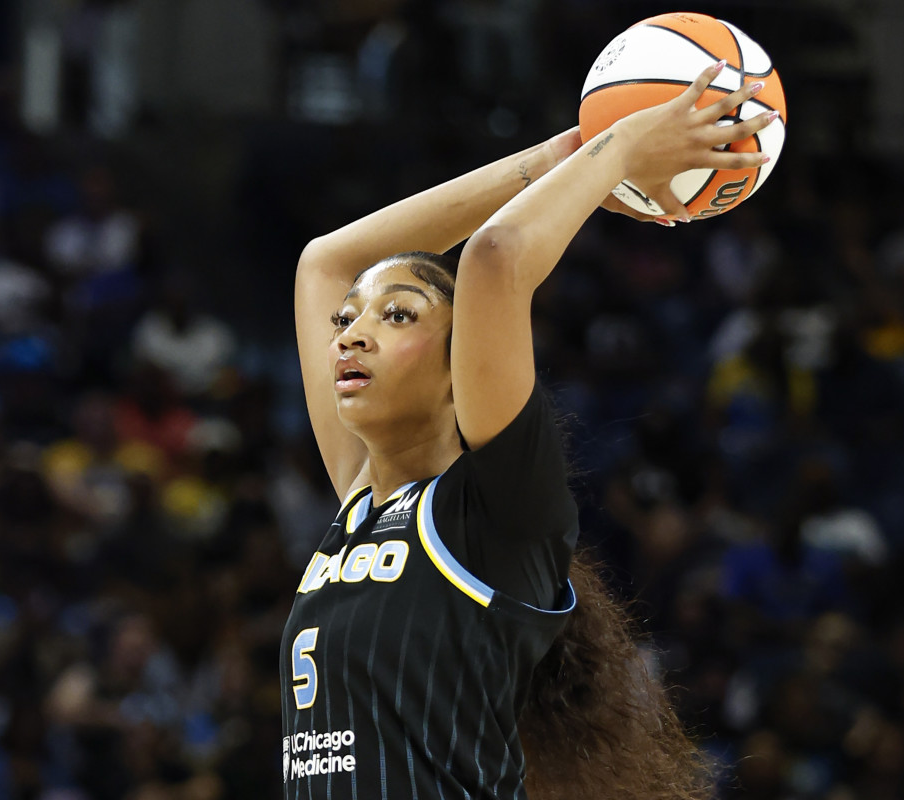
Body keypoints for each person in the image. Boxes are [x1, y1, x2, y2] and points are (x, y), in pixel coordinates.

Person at [283, 62, 777, 800]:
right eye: (348, 319)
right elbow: (328, 261)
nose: (351, 335)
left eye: (398, 316)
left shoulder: (494, 515)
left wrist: (620, 149)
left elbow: (495, 259)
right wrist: (561, 154)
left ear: (462, 371)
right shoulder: (363, 501)